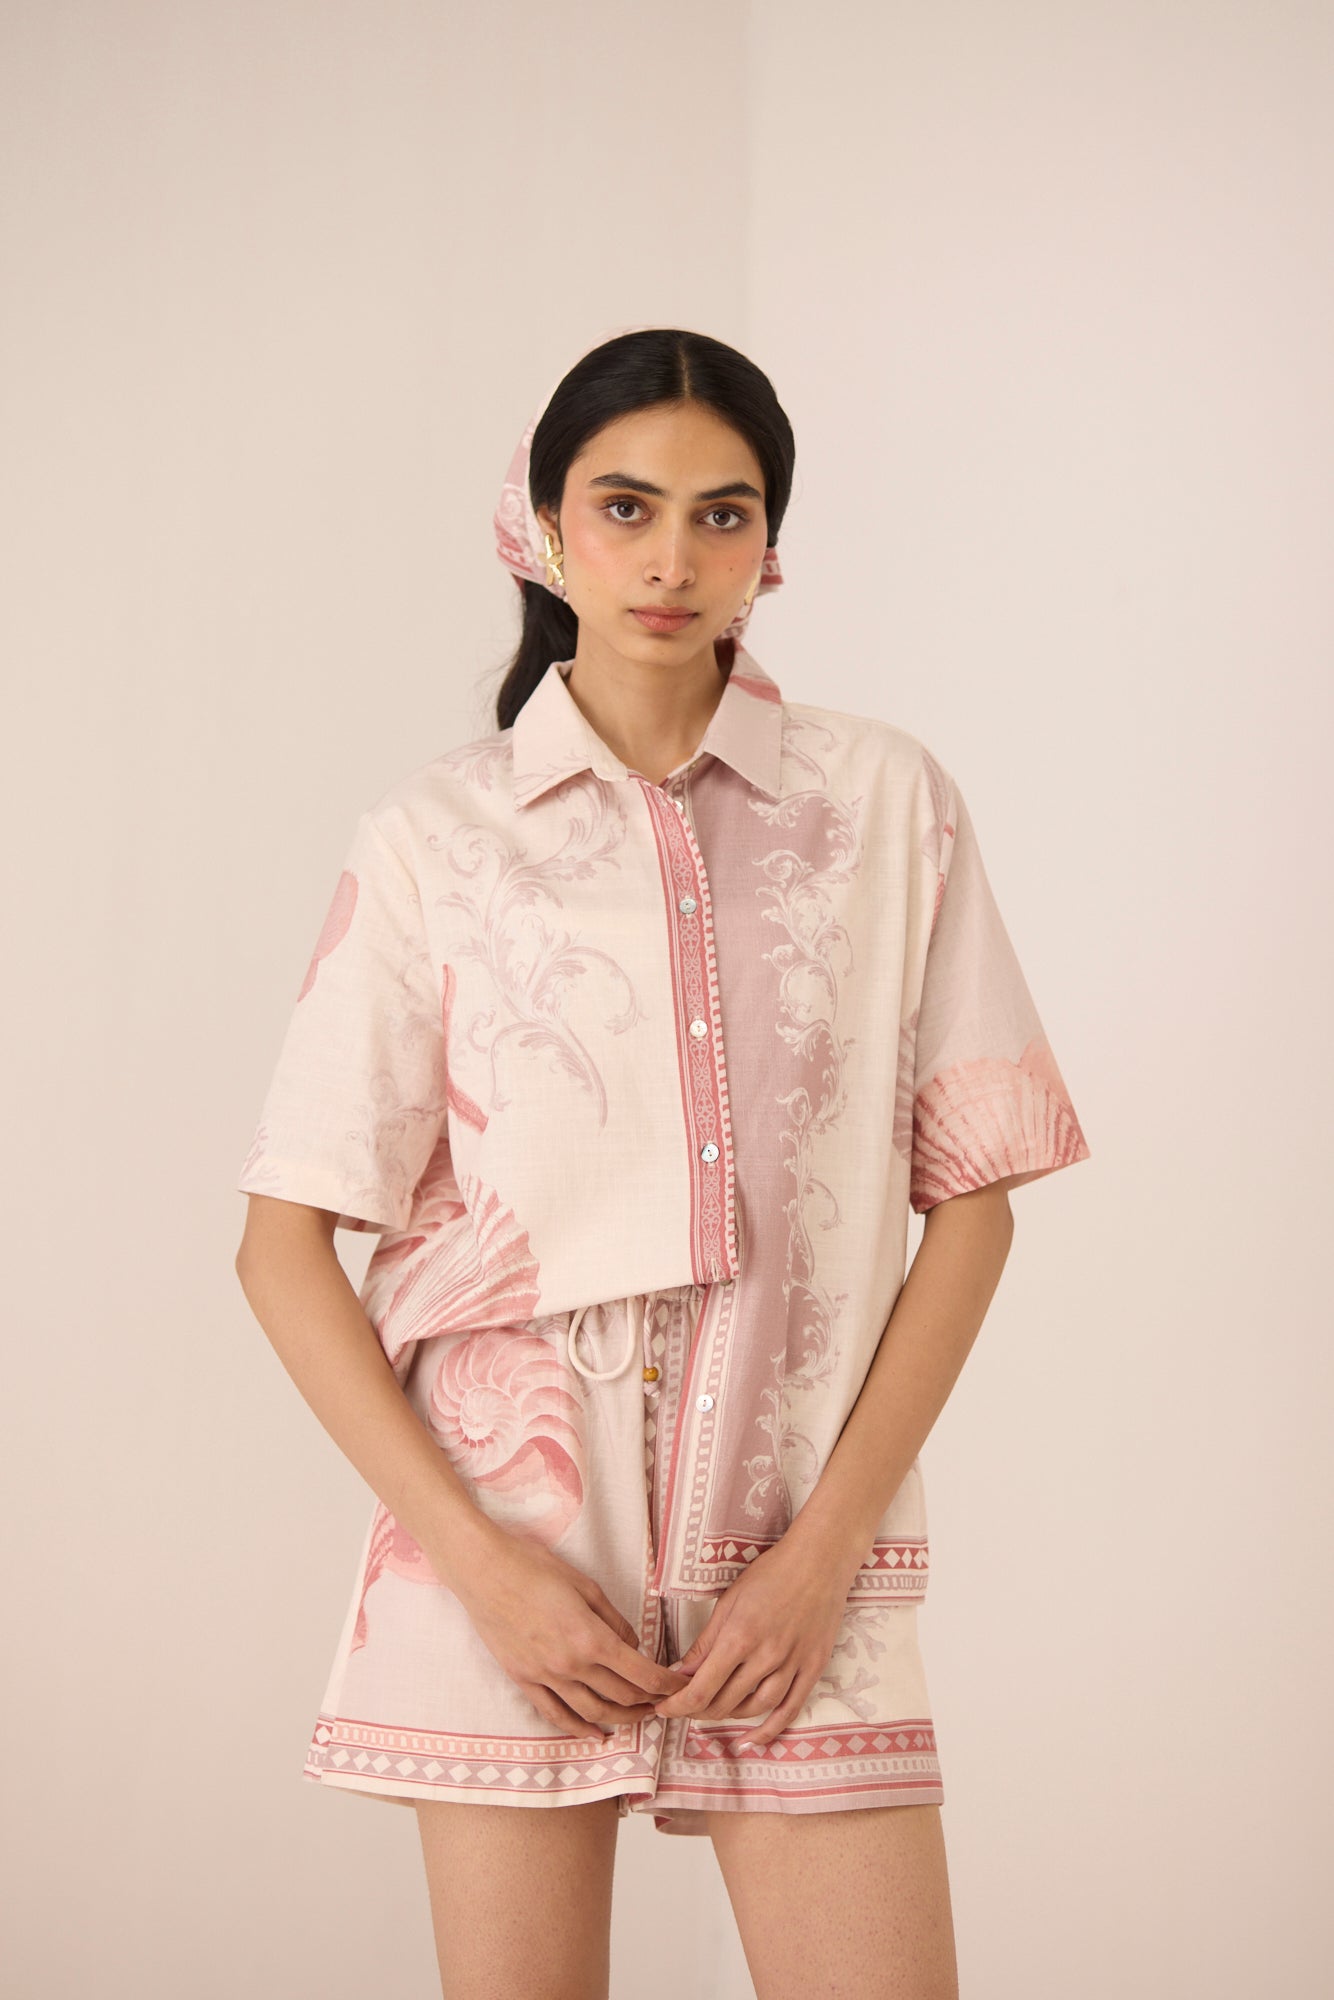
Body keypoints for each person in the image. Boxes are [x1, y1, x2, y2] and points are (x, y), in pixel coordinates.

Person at [234, 324, 1090, 2000]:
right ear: (544, 526)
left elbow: (972, 1207)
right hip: (509, 1557)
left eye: (723, 514)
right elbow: (282, 1248)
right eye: (625, 507)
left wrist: (823, 1554)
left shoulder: (885, 802)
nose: (672, 558)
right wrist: (485, 1572)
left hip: (797, 1559)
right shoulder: (432, 840)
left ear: (771, 544)